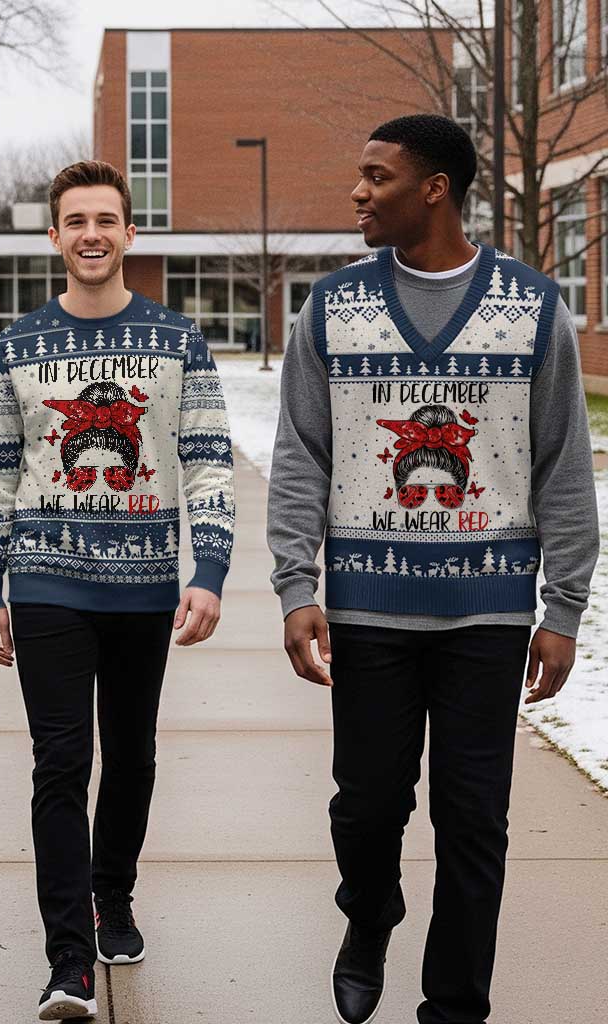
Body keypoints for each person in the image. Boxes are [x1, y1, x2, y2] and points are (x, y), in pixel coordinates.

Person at [268, 113, 599, 1024]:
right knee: (366, 810)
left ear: (435, 189)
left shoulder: (531, 308)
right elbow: (302, 452)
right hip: (369, 611)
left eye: (377, 176)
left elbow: (563, 463)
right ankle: (368, 914)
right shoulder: (333, 306)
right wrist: (297, 585)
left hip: (489, 618)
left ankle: (455, 1005)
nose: (358, 192)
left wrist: (564, 607)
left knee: (473, 824)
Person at [0, 159, 236, 1021]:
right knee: (61, 760)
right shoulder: (15, 347)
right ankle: (68, 961)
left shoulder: (177, 340)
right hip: (45, 581)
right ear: (53, 236)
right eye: (74, 220)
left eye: (105, 220)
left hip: (145, 584)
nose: (91, 234)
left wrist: (211, 570)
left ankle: (111, 895)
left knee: (133, 753)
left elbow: (207, 461)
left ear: (129, 233)